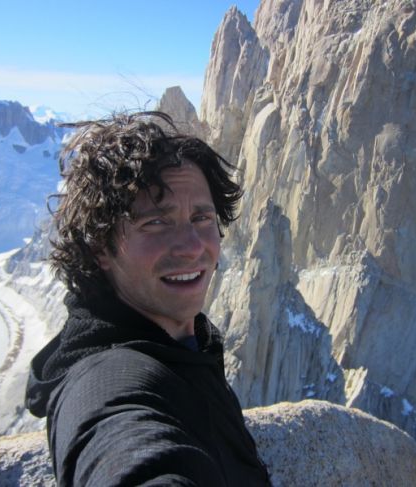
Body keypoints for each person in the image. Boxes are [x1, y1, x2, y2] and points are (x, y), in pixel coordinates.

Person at [25, 111, 271, 486]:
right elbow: (121, 439)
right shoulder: (108, 380)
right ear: (99, 248)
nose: (192, 247)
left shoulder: (182, 345)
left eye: (202, 218)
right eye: (156, 222)